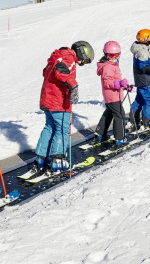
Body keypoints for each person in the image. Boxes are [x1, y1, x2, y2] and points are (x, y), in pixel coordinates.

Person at [25, 40, 94, 180]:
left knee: (49, 127)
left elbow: (46, 72)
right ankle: (57, 160)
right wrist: (73, 86)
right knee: (62, 129)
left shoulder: (58, 56)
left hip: (48, 99)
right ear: (81, 52)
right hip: (59, 102)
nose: (83, 64)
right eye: (85, 61)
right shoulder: (68, 58)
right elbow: (60, 72)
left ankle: (40, 159)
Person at [94, 41, 133, 145]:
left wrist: (125, 86)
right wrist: (119, 83)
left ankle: (100, 133)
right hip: (112, 96)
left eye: (117, 55)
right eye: (111, 55)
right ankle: (120, 138)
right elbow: (107, 82)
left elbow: (115, 80)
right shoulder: (108, 66)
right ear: (106, 54)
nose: (114, 57)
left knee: (109, 113)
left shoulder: (112, 65)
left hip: (111, 96)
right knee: (120, 115)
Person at [129, 29, 150, 129]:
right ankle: (147, 122)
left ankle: (132, 118)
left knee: (139, 99)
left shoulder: (139, 48)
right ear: (146, 39)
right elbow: (143, 67)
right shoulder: (143, 52)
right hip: (145, 80)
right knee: (149, 100)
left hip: (140, 80)